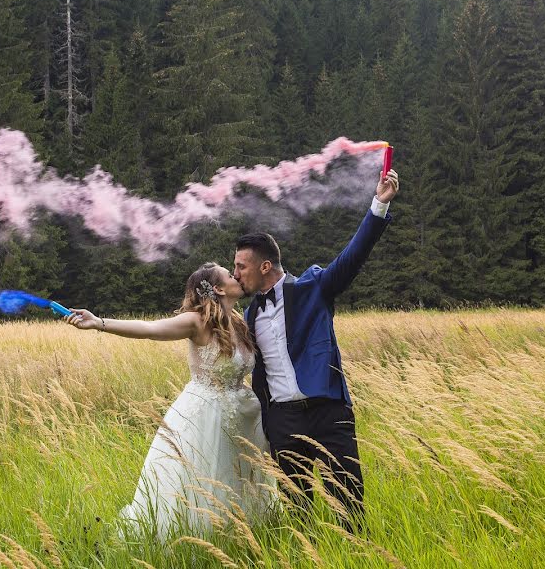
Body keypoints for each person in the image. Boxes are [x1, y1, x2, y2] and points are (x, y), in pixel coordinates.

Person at [233, 169, 400, 530]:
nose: (235, 275)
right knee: (297, 511)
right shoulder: (249, 313)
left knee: (349, 504)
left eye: (240, 267)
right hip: (282, 421)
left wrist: (379, 206)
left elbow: (351, 258)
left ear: (265, 266)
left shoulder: (313, 287)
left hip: (328, 412)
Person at [64, 262, 276, 540]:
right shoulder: (196, 321)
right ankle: (200, 539)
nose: (236, 275)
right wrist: (98, 323)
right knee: (203, 478)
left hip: (242, 416)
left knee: (237, 478)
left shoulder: (239, 321)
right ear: (218, 288)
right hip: (205, 416)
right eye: (229, 273)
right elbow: (150, 328)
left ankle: (240, 536)